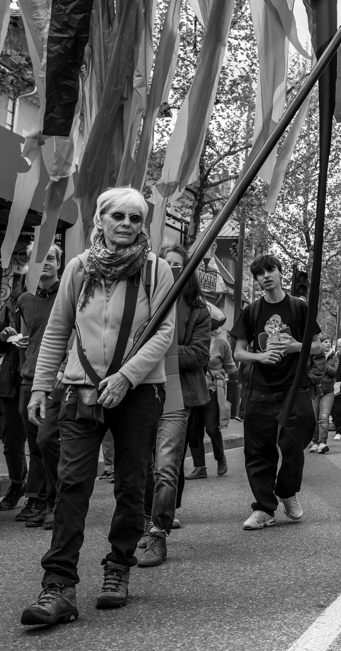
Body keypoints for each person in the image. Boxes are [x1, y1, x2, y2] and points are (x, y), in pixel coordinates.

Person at [19, 187, 175, 625]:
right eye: (118, 216)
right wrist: (39, 387)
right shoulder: (79, 268)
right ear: (100, 221)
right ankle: (58, 586)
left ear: (143, 226)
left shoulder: (156, 270)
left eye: (135, 218)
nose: (126, 224)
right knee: (71, 485)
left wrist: (126, 378)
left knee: (131, 484)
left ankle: (117, 569)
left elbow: (163, 334)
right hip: (80, 389)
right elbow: (57, 329)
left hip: (139, 392)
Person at [230, 254, 321, 531]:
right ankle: (264, 508)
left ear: (280, 273)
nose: (265, 276)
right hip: (260, 391)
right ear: (257, 280)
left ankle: (286, 490)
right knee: (259, 451)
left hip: (295, 388)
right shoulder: (252, 312)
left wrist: (296, 346)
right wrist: (260, 357)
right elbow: (239, 352)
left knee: (295, 443)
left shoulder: (299, 308)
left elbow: (317, 347)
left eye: (270, 270)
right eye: (259, 273)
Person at [138, 244, 210, 569]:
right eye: (166, 264)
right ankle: (142, 521)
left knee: (166, 467)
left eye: (178, 265)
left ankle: (158, 533)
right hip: (142, 391)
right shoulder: (144, 303)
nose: (172, 269)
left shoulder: (198, 310)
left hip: (178, 395)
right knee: (142, 465)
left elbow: (199, 354)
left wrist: (162, 353)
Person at [0, 244, 63, 520]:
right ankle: (37, 499)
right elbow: (4, 338)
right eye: (38, 259)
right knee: (32, 443)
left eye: (51, 258)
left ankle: (53, 499)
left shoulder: (69, 294)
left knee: (47, 441)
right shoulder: (21, 299)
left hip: (57, 377)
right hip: (26, 377)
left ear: (59, 263)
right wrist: (8, 336)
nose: (45, 263)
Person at [197, 304, 235, 477]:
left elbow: (231, 368)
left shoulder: (222, 342)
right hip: (195, 387)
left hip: (212, 389)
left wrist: (218, 374)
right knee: (194, 429)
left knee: (212, 428)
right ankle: (200, 467)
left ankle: (221, 459)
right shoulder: (195, 337)